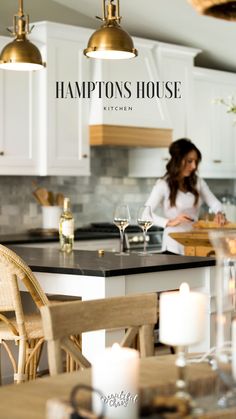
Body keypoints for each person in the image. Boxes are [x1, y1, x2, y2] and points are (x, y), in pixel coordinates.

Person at [145, 138, 226, 255]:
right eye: (189, 161)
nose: (194, 166)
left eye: (195, 161)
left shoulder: (198, 182)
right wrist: (169, 222)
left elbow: (215, 203)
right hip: (172, 246)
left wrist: (219, 213)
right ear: (178, 160)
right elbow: (144, 215)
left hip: (194, 243)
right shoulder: (163, 184)